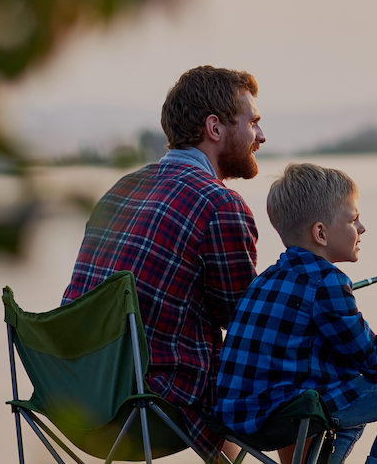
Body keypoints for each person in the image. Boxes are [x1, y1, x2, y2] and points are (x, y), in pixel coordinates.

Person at [61, 66, 266, 463]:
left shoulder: (120, 189)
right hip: (150, 405)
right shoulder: (219, 204)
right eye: (253, 122)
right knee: (296, 372)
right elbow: (246, 326)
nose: (261, 136)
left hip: (79, 398)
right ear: (215, 127)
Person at [215, 163, 377, 464]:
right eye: (354, 220)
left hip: (240, 420)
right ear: (321, 233)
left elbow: (312, 345)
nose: (362, 228)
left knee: (351, 381)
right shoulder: (328, 281)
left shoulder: (266, 278)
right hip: (288, 417)